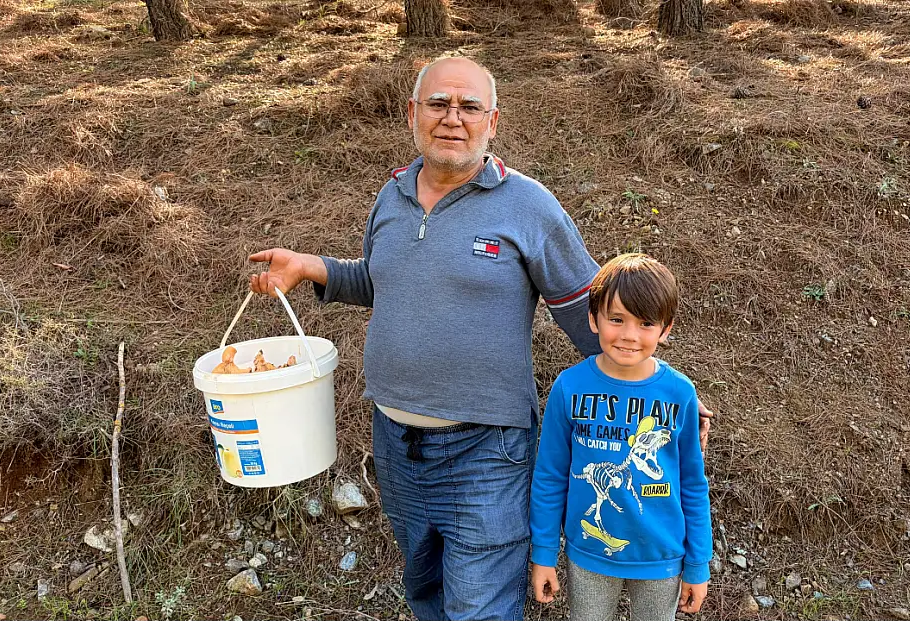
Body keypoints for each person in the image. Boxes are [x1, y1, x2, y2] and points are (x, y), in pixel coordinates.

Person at [247, 56, 712, 621]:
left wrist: (659, 398)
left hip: (487, 451)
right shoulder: (390, 198)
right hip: (395, 444)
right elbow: (384, 281)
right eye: (439, 104)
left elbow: (592, 311)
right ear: (413, 113)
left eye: (469, 107)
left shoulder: (529, 206)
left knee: (480, 608)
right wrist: (312, 266)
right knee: (426, 592)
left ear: (492, 122)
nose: (453, 118)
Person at [529, 253, 712, 621]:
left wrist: (698, 562)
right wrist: (544, 552)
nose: (629, 335)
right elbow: (549, 475)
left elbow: (693, 483)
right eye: (617, 319)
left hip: (662, 557)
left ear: (666, 328)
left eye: (646, 323)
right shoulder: (569, 388)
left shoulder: (680, 393)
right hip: (589, 554)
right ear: (593, 319)